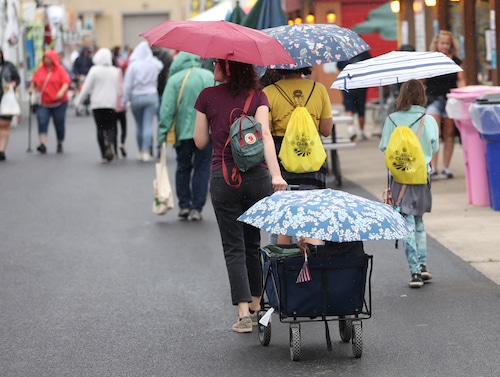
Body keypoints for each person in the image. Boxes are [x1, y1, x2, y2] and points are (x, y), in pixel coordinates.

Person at [193, 59, 287, 333]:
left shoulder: (207, 96)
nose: (213, 68)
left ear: (227, 68)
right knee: (251, 243)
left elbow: (199, 141)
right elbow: (266, 135)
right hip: (257, 178)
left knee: (233, 246)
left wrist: (215, 124)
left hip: (224, 178)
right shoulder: (258, 95)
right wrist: (276, 175)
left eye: (216, 63)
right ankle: (258, 306)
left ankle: (244, 313)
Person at [379, 79, 439, 288]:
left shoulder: (392, 119)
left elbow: (384, 147)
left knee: (406, 223)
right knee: (419, 222)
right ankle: (423, 266)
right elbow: (434, 146)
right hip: (422, 176)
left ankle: (414, 273)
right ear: (422, 95)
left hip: (400, 177)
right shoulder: (428, 119)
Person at [263, 67, 333, 244]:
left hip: (281, 160)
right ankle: (313, 265)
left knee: (284, 219)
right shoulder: (319, 89)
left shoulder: (269, 92)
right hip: (312, 159)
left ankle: (282, 265)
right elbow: (326, 130)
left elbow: (266, 131)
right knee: (311, 218)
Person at [158, 52, 214, 221]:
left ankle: (184, 204)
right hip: (206, 133)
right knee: (202, 168)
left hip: (182, 133)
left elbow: (167, 109)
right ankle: (197, 207)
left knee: (182, 166)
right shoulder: (208, 76)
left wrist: (162, 133)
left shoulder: (175, 79)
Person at [426, 30, 466, 179]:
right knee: (434, 133)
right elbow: (422, 79)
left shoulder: (455, 61)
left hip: (450, 100)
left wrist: (463, 95)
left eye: (447, 43)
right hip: (433, 99)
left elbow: (460, 80)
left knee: (449, 133)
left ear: (451, 45)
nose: (445, 46)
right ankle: (433, 168)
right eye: (442, 43)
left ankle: (446, 167)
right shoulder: (430, 59)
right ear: (437, 44)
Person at [75, 47, 121, 163]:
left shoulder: (94, 70)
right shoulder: (114, 71)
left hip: (97, 104)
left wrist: (78, 101)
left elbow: (86, 88)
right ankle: (109, 144)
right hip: (110, 103)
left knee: (100, 129)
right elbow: (117, 88)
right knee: (110, 127)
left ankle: (103, 154)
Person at [121, 41, 163, 162]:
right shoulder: (154, 64)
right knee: (148, 125)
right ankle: (146, 151)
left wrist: (124, 101)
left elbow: (127, 86)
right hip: (151, 96)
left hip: (136, 97)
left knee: (139, 125)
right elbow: (160, 66)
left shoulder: (133, 66)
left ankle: (140, 150)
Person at [28, 49, 71, 154]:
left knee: (59, 123)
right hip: (43, 102)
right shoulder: (40, 69)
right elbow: (34, 80)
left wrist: (61, 92)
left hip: (59, 102)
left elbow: (66, 81)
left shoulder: (60, 70)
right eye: (45, 58)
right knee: (42, 121)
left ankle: (60, 141)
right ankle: (42, 144)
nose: (46, 60)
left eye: (48, 58)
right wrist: (31, 88)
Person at [336, 51, 372, 141]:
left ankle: (350, 129)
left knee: (349, 107)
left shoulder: (343, 54)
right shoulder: (364, 54)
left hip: (347, 84)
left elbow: (339, 68)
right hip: (360, 84)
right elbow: (370, 66)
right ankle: (361, 132)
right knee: (361, 109)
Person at [0, 48, 21, 161]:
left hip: (6, 99)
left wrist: (12, 84)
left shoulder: (8, 66)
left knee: (4, 125)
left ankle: (2, 150)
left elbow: (17, 79)